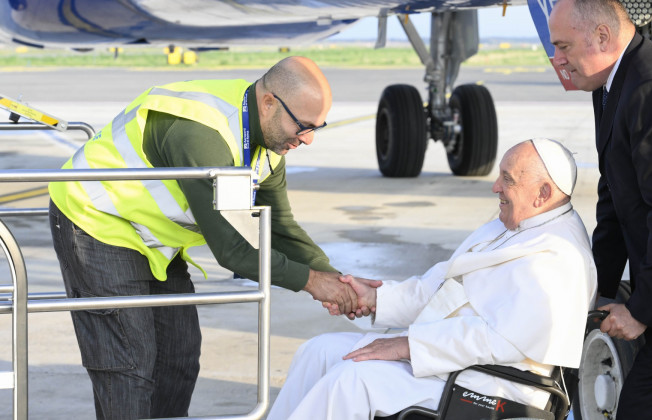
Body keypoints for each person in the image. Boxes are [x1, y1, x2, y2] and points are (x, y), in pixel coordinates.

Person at [47, 56, 369, 419]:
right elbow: (233, 250)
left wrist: (340, 280)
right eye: (304, 126)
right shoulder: (201, 133)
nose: (308, 139)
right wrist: (313, 283)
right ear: (268, 102)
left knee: (178, 357)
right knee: (129, 367)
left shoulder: (270, 144)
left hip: (154, 238)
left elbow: (280, 228)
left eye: (317, 128)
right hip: (98, 220)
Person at [266, 139, 598, 419]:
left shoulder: (560, 257)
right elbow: (440, 287)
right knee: (319, 350)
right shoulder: (512, 223)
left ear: (542, 193)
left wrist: (407, 346)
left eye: (507, 180)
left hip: (496, 382)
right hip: (450, 360)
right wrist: (374, 298)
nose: (495, 187)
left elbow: (500, 340)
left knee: (352, 379)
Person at [549, 1, 652, 418]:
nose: (558, 59)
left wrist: (642, 309)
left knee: (643, 407)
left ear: (602, 38)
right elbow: (616, 196)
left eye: (564, 46)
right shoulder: (613, 84)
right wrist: (596, 291)